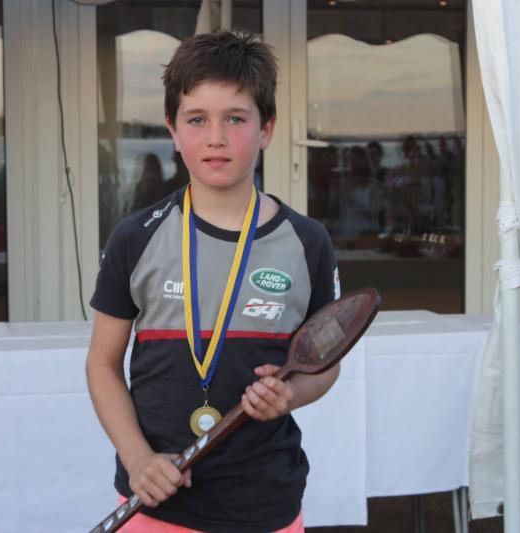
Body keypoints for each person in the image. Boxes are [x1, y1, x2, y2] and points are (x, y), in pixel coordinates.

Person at [86, 31, 340, 532]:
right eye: (197, 119)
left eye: (236, 119)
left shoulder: (306, 241)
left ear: (266, 129)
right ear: (173, 131)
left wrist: (292, 395)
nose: (216, 137)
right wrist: (137, 459)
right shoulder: (135, 238)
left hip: (265, 501)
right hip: (156, 498)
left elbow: (324, 366)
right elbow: (102, 363)